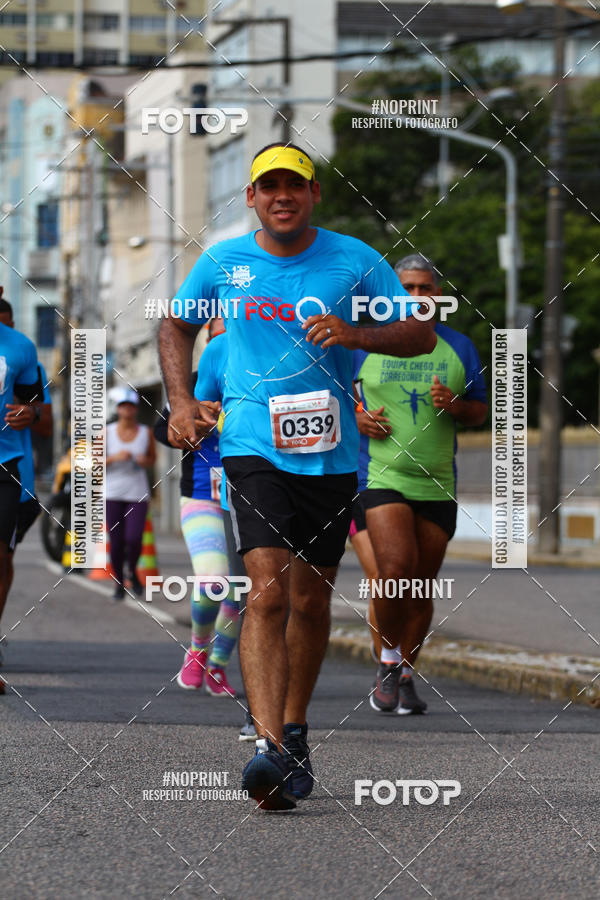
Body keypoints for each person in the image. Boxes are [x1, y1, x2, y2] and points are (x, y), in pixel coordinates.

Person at [158, 144, 436, 810]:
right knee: (267, 593)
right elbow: (174, 324)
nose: (281, 195)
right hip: (252, 446)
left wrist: (355, 333)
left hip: (332, 455)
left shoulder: (356, 260)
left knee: (311, 603)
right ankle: (266, 747)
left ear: (314, 195)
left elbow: (420, 336)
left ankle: (295, 727)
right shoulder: (223, 261)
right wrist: (181, 401)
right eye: (268, 185)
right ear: (251, 197)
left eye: (295, 184)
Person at [354, 254, 487, 714]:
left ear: (437, 296)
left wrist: (455, 405)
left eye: (423, 288)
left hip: (437, 482)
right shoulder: (364, 344)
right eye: (405, 288)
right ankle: (388, 662)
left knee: (419, 589)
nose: (415, 297)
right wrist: (358, 419)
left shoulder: (460, 347)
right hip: (379, 476)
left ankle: (406, 671)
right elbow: (334, 403)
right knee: (393, 574)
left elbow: (480, 411)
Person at [154, 318, 241, 700]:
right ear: (207, 337)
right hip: (202, 496)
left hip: (250, 497)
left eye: (231, 328)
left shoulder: (260, 374)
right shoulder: (189, 380)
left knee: (242, 592)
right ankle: (197, 650)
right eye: (217, 330)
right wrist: (188, 419)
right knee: (213, 579)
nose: (224, 336)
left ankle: (218, 664)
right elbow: (162, 430)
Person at [0, 300, 52, 659]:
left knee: (3, 560)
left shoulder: (21, 351)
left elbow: (44, 421)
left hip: (12, 474)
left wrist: (29, 412)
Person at [106, 387, 156, 601]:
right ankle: (119, 582)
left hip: (137, 492)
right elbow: (93, 462)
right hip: (112, 493)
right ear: (117, 409)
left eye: (131, 406)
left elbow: (152, 458)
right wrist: (114, 457)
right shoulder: (106, 432)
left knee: (134, 538)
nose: (127, 410)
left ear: (135, 409)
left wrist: (144, 461)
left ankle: (133, 571)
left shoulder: (146, 432)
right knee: (116, 541)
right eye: (123, 406)